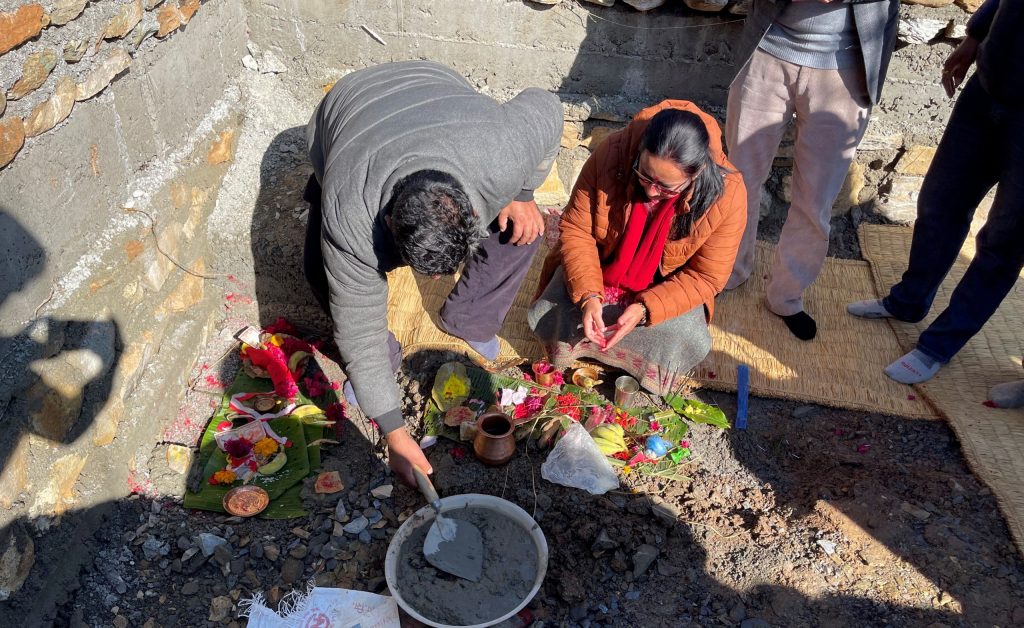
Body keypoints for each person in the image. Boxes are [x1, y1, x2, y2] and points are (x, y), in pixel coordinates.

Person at [304, 61, 562, 483]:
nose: (436, 282)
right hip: (350, 111)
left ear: (471, 205)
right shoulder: (351, 212)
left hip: (435, 89)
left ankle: (470, 316)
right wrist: (394, 430)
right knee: (322, 272)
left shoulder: (501, 154)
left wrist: (522, 192)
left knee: (524, 229)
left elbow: (547, 106)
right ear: (387, 223)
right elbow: (358, 330)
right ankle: (385, 365)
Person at [847, 0, 1024, 385]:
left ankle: (938, 346)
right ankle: (908, 300)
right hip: (989, 86)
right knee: (940, 202)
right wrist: (976, 35)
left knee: (1002, 243)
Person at [528, 101, 746, 395]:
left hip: (665, 286)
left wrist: (645, 309)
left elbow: (706, 278)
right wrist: (590, 296)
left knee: (685, 334)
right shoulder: (613, 153)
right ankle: (578, 345)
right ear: (640, 149)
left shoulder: (729, 194)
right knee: (556, 304)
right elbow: (577, 229)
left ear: (697, 173)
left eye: (667, 187)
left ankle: (637, 359)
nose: (652, 191)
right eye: (645, 175)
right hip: (603, 269)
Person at [725, 0, 900, 340]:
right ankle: (728, 271)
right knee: (737, 180)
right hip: (767, 51)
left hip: (846, 68)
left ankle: (786, 297)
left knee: (815, 198)